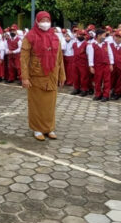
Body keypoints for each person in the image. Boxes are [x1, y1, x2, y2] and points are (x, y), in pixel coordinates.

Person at [21, 12, 65, 141]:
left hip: (52, 76)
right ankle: (37, 129)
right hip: (36, 76)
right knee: (37, 104)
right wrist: (25, 77)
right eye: (43, 20)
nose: (45, 22)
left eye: (47, 20)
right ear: (37, 21)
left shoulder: (55, 37)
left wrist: (62, 75)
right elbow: (24, 59)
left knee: (50, 105)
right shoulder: (30, 36)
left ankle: (49, 128)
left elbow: (60, 58)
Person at [87, 29, 114, 102]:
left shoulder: (106, 44)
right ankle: (98, 94)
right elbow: (90, 56)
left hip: (106, 65)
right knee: (97, 80)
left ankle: (106, 95)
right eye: (103, 35)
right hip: (97, 65)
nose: (104, 37)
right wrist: (91, 66)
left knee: (107, 80)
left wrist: (111, 64)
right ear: (98, 36)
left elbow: (110, 54)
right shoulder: (92, 45)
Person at [70, 30, 90, 96]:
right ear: (77, 35)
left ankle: (84, 89)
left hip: (83, 63)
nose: (81, 36)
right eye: (80, 35)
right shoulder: (74, 44)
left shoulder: (87, 44)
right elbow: (73, 53)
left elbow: (89, 54)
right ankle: (76, 88)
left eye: (83, 35)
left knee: (84, 77)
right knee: (75, 76)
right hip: (75, 62)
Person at [109, 31, 121, 100]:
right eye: (116, 36)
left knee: (120, 81)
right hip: (112, 66)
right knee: (111, 79)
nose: (117, 38)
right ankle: (111, 91)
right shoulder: (110, 45)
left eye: (120, 37)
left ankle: (117, 93)